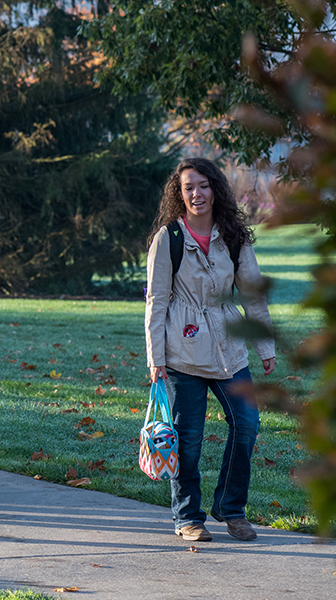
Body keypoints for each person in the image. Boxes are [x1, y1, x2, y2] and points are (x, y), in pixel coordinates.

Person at [144, 157, 276, 542]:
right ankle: (188, 517)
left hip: (230, 350)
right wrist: (156, 360)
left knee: (247, 424)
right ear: (179, 194)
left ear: (215, 189)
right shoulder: (168, 238)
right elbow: (156, 302)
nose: (196, 194)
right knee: (188, 438)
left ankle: (230, 508)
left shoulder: (234, 237)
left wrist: (266, 347)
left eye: (203, 185)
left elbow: (253, 297)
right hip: (181, 353)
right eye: (189, 187)